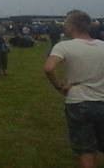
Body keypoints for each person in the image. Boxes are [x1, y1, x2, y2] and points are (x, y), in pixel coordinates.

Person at [44, 10, 104, 168]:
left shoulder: (64, 46)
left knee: (86, 150)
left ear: (71, 27)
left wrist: (58, 86)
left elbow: (49, 68)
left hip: (78, 102)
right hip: (102, 101)